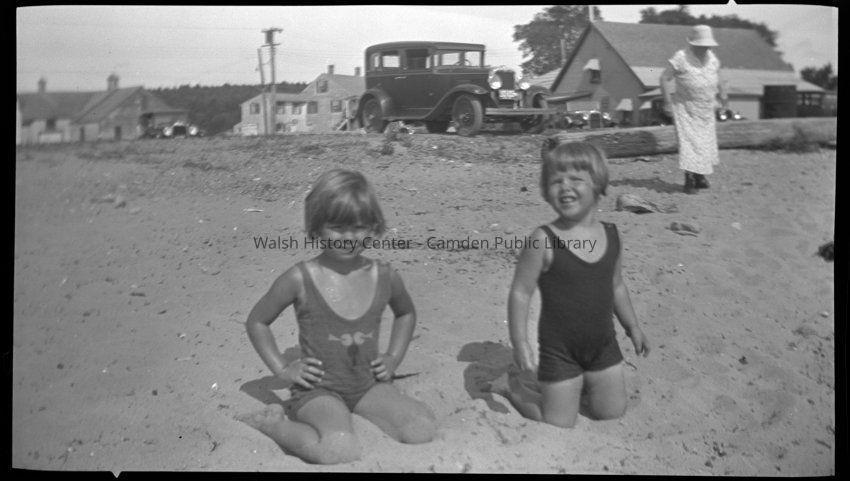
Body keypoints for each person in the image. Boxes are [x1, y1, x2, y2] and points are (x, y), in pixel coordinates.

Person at [237, 169, 436, 464]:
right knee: (339, 447)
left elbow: (405, 313)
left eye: (358, 227)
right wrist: (283, 368)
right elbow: (257, 321)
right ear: (317, 227)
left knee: (421, 428)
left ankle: (357, 413)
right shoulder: (300, 279)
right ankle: (274, 424)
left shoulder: (384, 276)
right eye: (338, 228)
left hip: (367, 385)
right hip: (317, 391)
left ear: (373, 227)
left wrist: (393, 358)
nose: (349, 237)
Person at [489, 140, 650, 428]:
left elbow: (616, 286)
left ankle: (584, 383)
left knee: (611, 412)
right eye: (556, 181)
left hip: (603, 346)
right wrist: (520, 342)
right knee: (558, 422)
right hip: (559, 351)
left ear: (597, 184)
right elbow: (521, 292)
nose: (565, 187)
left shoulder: (611, 234)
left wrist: (633, 326)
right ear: (546, 191)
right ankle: (512, 387)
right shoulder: (543, 239)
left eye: (575, 179)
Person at [660, 24, 729, 194]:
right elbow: (664, 78)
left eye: (707, 46)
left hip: (706, 108)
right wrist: (667, 102)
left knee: (704, 143)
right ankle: (689, 179)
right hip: (686, 108)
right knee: (690, 144)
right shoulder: (681, 57)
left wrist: (723, 95)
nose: (705, 49)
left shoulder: (712, 58)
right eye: (702, 45)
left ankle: (700, 177)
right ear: (693, 44)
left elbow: (719, 76)